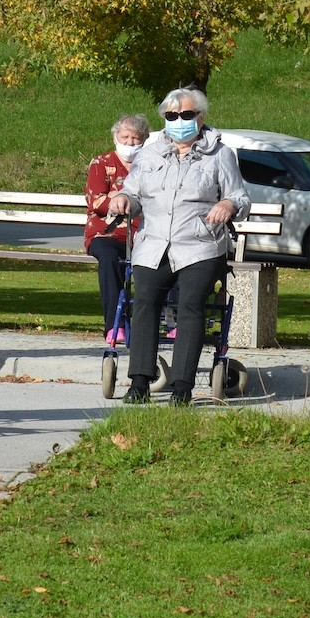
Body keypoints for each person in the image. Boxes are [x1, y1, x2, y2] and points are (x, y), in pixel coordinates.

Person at [107, 88, 249, 405]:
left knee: (190, 305)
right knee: (143, 302)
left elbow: (240, 197)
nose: (178, 121)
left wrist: (227, 203)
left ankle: (183, 386)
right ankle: (139, 383)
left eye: (185, 115)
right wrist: (122, 200)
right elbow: (134, 193)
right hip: (154, 244)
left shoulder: (220, 154)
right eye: (172, 116)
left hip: (199, 245)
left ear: (200, 117)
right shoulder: (150, 154)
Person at [85, 115, 150, 344]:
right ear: (115, 138)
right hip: (107, 233)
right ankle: (115, 325)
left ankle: (163, 321)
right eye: (125, 137)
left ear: (145, 140)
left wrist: (117, 197)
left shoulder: (152, 164)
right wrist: (120, 200)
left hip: (144, 233)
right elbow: (96, 201)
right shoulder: (101, 163)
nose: (130, 143)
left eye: (136, 139)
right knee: (109, 257)